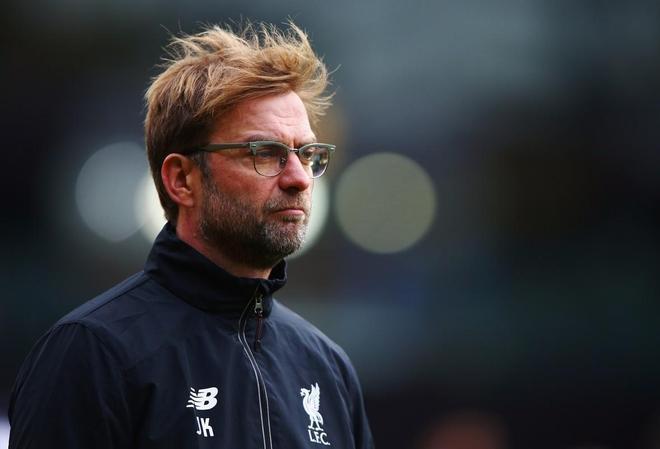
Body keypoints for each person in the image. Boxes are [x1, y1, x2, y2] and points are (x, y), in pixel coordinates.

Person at [8, 21, 374, 449]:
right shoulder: (93, 353)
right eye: (265, 153)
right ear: (182, 179)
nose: (299, 178)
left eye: (307, 154)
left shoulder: (328, 369)